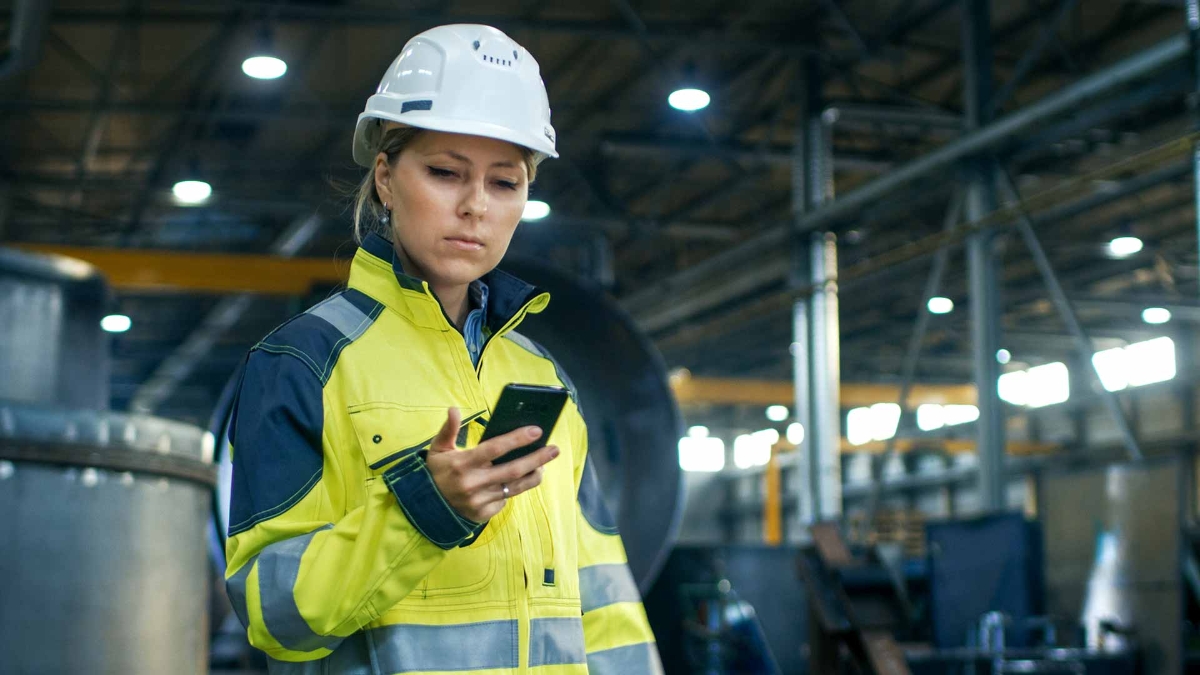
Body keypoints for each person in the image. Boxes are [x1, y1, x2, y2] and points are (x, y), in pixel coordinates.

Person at [222, 24, 663, 674]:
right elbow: (273, 615)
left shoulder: (541, 374)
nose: (475, 206)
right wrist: (420, 510)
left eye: (505, 183)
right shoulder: (302, 364)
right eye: (444, 172)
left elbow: (604, 600)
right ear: (385, 180)